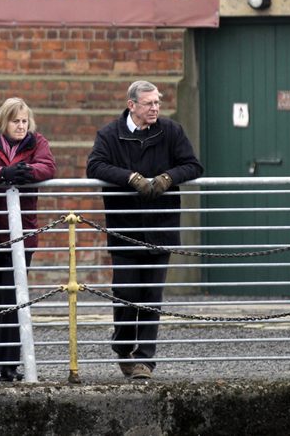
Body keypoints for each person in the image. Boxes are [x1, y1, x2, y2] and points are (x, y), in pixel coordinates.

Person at [86, 80, 204, 380]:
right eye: (149, 103)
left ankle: (145, 361)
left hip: (160, 227)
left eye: (157, 103)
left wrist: (167, 177)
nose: (155, 108)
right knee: (126, 292)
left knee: (152, 295)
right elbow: (95, 166)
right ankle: (123, 345)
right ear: (132, 105)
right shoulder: (110, 134)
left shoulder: (171, 131)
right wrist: (131, 178)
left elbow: (192, 165)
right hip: (124, 227)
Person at [0, 97, 56, 382]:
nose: (21, 126)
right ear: (3, 122)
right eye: (16, 121)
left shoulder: (36, 142)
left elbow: (48, 167)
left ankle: (7, 363)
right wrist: (3, 173)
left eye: (24, 121)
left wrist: (25, 172)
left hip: (21, 233)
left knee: (13, 299)